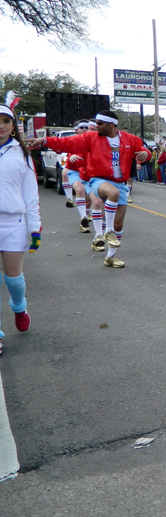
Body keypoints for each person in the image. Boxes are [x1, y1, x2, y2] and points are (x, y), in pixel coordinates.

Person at [29, 111, 151, 268]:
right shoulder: (91, 138)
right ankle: (107, 231)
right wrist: (43, 140)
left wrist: (145, 154)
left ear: (112, 124)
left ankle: (111, 256)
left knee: (119, 223)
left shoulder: (131, 139)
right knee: (113, 194)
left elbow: (144, 152)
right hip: (98, 179)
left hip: (119, 181)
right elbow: (67, 143)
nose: (96, 126)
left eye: (100, 124)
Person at [0, 104, 41, 356]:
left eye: (6, 121)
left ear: (13, 126)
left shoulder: (22, 155)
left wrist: (34, 228)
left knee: (14, 280)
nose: (1, 125)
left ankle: (19, 307)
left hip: (13, 223)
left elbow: (31, 194)